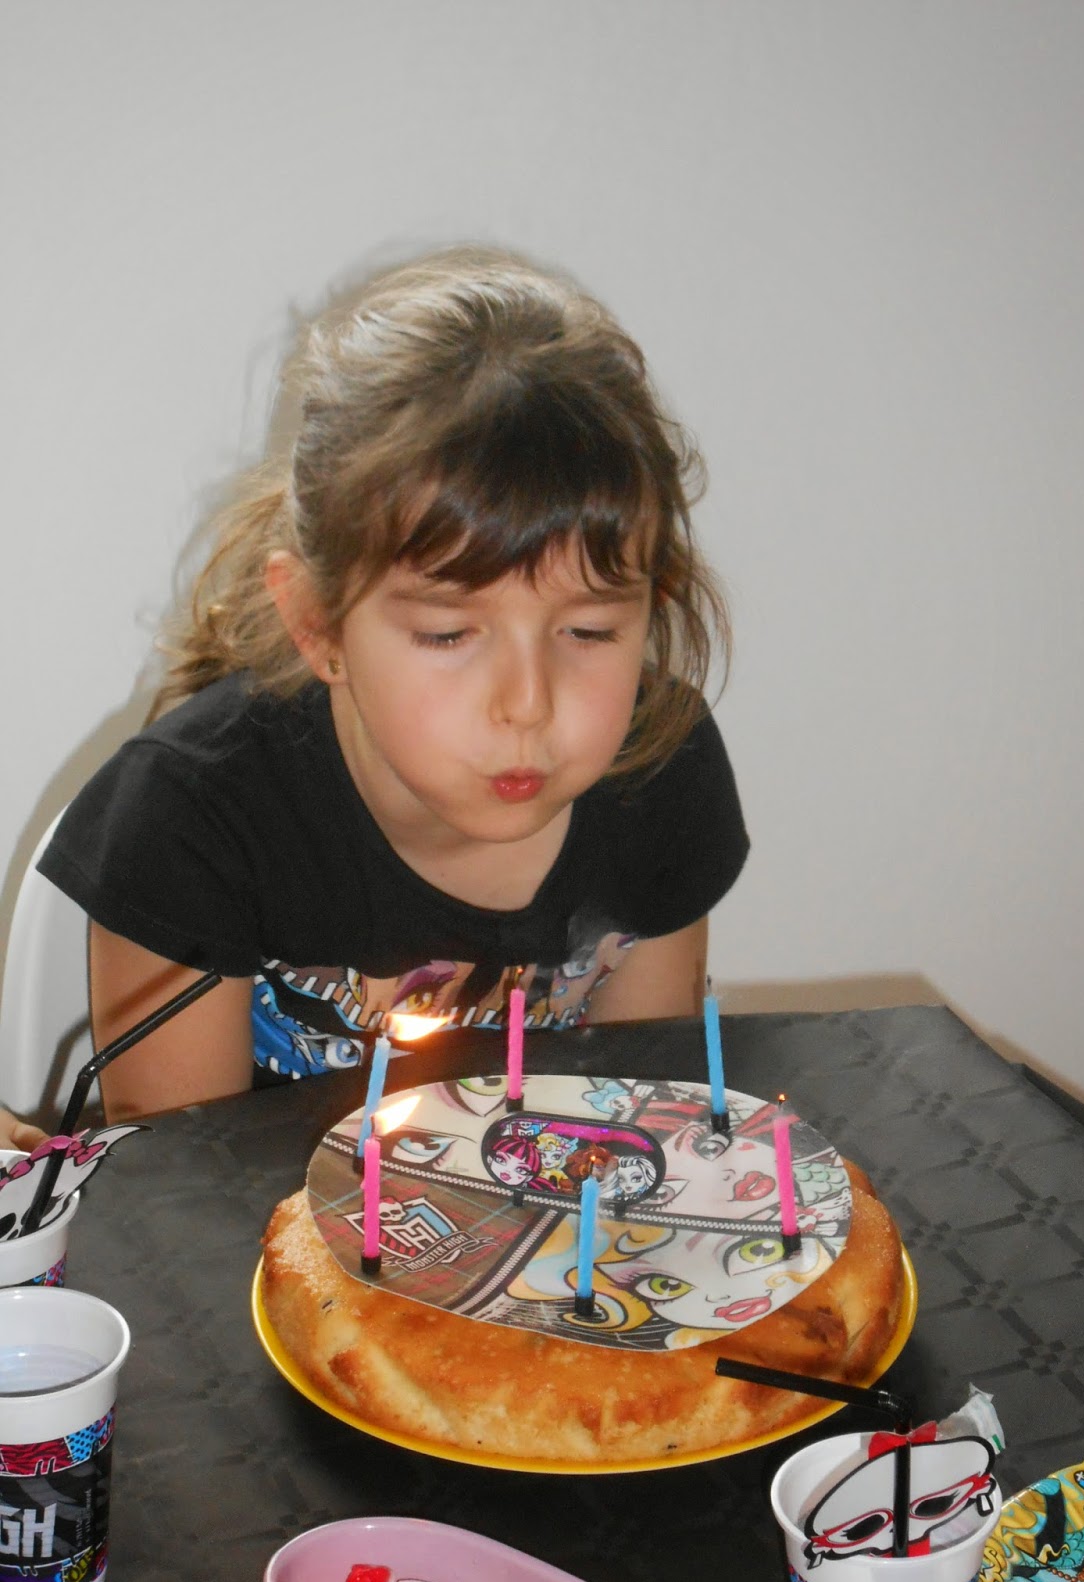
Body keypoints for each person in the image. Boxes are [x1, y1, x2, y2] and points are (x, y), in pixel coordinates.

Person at [31, 245, 749, 1125]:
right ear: (318, 623)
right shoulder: (187, 822)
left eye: (590, 632)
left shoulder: (662, 771)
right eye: (448, 633)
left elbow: (641, 1126)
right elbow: (183, 1181)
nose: (527, 703)